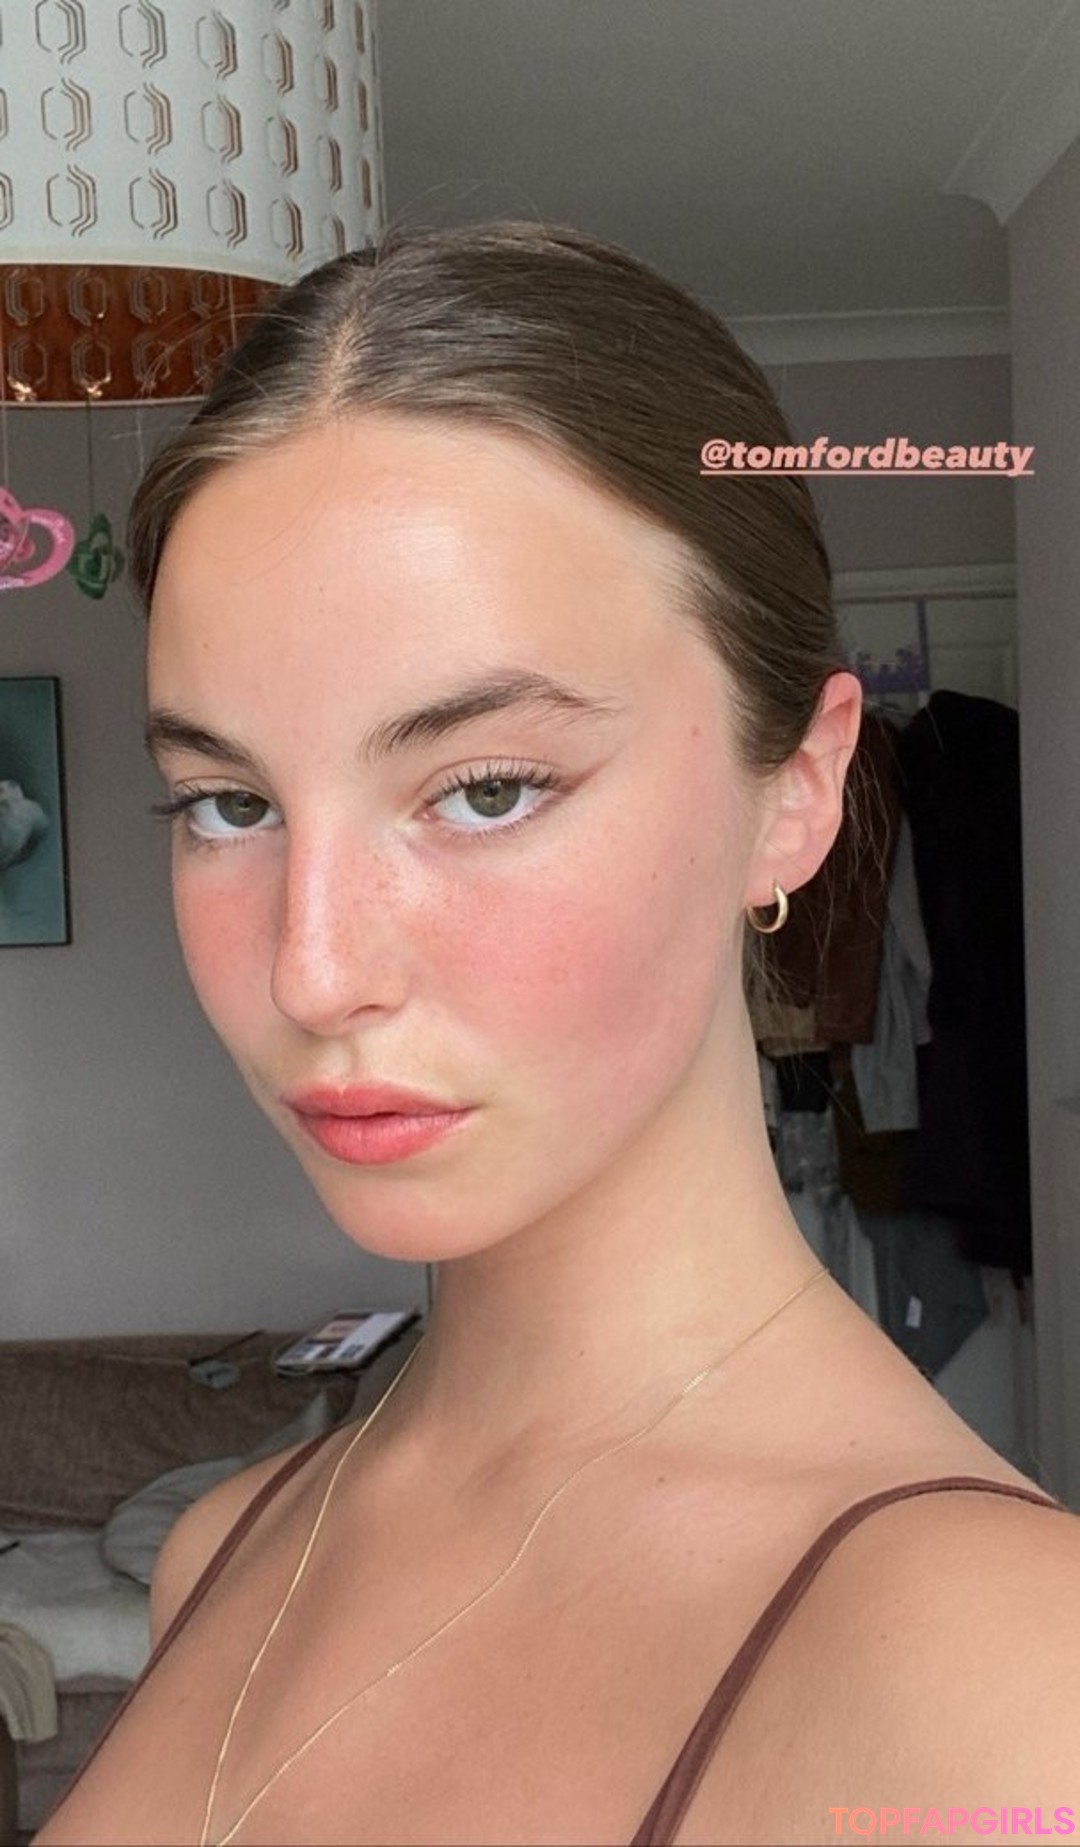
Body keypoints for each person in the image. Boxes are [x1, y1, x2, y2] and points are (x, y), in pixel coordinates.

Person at [38, 222, 1080, 1847]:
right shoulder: (226, 1551)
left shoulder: (1004, 1696)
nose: (314, 972)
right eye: (229, 803)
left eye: (485, 790)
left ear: (798, 792)